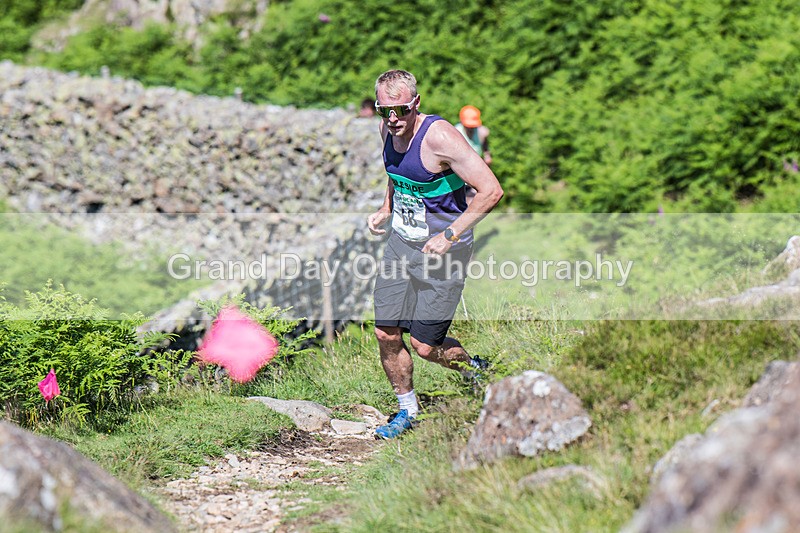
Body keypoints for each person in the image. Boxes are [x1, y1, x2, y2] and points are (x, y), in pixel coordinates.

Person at [367, 70, 503, 439]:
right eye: (384, 111)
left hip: (445, 252)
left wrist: (449, 233)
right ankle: (407, 409)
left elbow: (491, 191)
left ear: (416, 104)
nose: (393, 119)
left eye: (400, 110)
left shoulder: (441, 138)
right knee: (385, 332)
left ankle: (475, 368)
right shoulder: (388, 130)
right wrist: (386, 208)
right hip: (401, 244)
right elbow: (397, 175)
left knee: (426, 347)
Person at [455, 105, 492, 203]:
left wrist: (487, 156)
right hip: (457, 175)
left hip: (475, 174)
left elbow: (485, 148)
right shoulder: (456, 133)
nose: (471, 128)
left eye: (473, 126)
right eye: (468, 126)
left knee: (476, 201)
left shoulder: (482, 132)